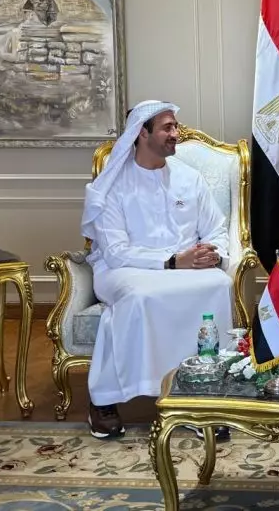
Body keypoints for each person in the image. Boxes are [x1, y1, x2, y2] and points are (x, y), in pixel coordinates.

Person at [81, 100, 234, 440]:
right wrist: (173, 261)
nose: (176, 133)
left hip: (185, 266)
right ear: (142, 133)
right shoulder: (112, 186)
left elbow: (216, 228)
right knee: (141, 295)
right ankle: (104, 400)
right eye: (167, 127)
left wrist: (212, 254)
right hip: (124, 269)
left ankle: (200, 396)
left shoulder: (189, 178)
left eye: (175, 126)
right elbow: (116, 252)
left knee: (218, 285)